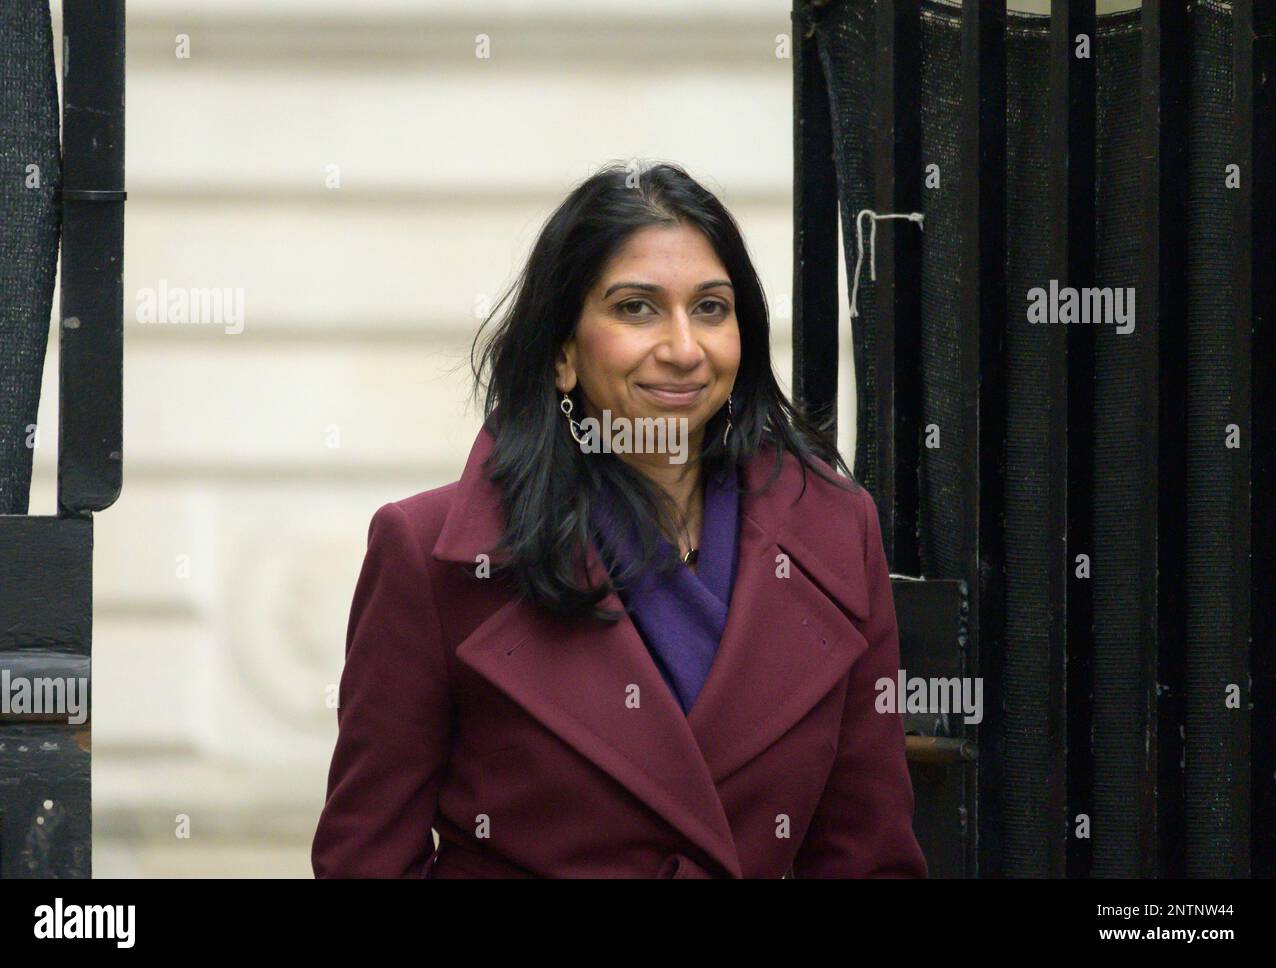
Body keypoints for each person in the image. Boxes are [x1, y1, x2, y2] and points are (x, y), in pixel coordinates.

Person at [310, 161, 927, 878]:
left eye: (711, 308)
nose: (684, 349)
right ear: (562, 353)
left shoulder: (834, 529)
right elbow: (367, 861)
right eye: (636, 308)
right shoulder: (429, 556)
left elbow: (866, 854)